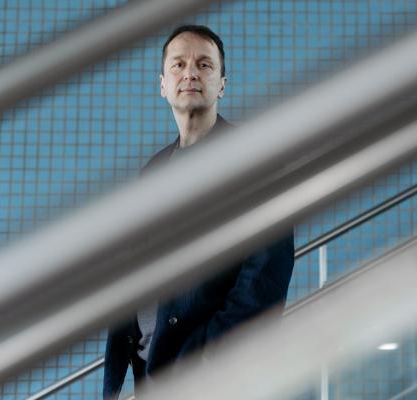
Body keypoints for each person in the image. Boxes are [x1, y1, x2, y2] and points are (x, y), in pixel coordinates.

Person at [103, 25, 294, 399]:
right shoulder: (153, 170)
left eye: (204, 64)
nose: (190, 73)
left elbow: (263, 282)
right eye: (178, 64)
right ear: (162, 85)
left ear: (221, 85)